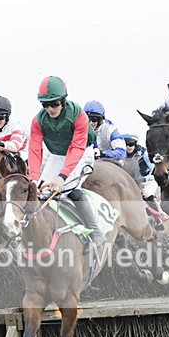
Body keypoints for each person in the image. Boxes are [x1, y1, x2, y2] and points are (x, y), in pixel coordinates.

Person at [28, 76, 105, 247]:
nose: (50, 109)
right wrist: (33, 179)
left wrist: (62, 176)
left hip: (82, 151)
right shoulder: (37, 120)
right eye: (45, 105)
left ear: (63, 100)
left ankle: (96, 232)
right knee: (40, 193)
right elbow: (34, 150)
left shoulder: (78, 115)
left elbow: (76, 148)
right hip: (57, 154)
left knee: (66, 189)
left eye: (54, 103)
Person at [121, 134, 167, 229]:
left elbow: (153, 167)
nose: (128, 147)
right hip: (134, 184)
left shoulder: (144, 154)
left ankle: (159, 218)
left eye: (130, 145)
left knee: (147, 194)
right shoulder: (122, 157)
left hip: (148, 181)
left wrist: (147, 177)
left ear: (135, 145)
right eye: (126, 145)